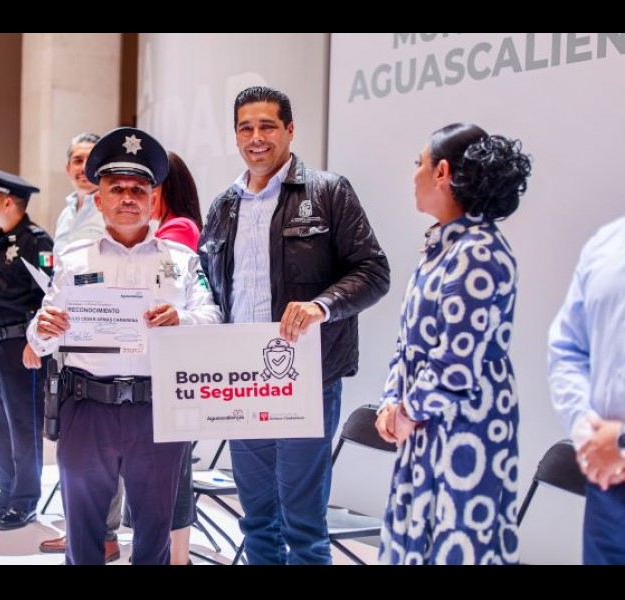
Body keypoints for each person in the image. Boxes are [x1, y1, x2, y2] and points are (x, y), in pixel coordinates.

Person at [198, 86, 391, 565]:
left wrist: (322, 305)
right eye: (246, 128)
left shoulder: (328, 192)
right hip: (241, 381)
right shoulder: (223, 206)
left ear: (289, 130)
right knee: (256, 518)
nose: (256, 138)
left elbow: (373, 272)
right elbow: (206, 283)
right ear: (235, 135)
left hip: (306, 379)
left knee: (303, 522)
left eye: (267, 126)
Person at [27, 126, 223, 565]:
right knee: (83, 534)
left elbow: (212, 319)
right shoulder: (74, 260)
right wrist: (41, 328)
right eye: (116, 189)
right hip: (86, 407)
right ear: (99, 200)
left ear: (153, 199)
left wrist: (182, 319)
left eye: (138, 189)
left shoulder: (182, 261)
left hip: (158, 409)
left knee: (154, 533)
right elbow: (41, 338)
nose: (128, 198)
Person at [374, 123, 532, 565]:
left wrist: (405, 412)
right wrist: (391, 401)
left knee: (458, 545)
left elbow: (455, 364)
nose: (414, 174)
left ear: (442, 172)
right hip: (425, 424)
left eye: (419, 163)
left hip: (466, 432)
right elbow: (410, 342)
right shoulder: (444, 246)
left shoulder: (477, 251)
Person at [38, 132, 124, 562]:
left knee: (107, 442)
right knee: (74, 437)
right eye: (75, 159)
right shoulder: (66, 210)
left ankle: (105, 533)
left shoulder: (110, 205)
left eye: (88, 160)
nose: (80, 167)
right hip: (67, 334)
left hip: (103, 331)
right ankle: (80, 528)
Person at [121, 150, 204, 565]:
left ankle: (177, 557)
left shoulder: (178, 231)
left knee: (172, 473)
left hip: (170, 368)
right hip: (161, 364)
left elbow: (162, 294)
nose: (141, 196)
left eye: (147, 186)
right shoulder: (170, 227)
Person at [0, 166, 53, 531]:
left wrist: (37, 341)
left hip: (22, 346)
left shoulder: (36, 241)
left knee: (23, 424)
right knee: (0, 424)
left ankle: (25, 500)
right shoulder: (1, 239)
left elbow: (53, 294)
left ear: (8, 202)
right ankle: (6, 493)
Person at [548, 216, 625, 564]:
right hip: (607, 482)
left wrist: (620, 441)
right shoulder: (606, 244)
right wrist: (587, 432)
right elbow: (567, 349)